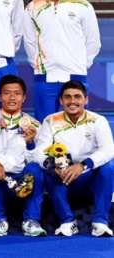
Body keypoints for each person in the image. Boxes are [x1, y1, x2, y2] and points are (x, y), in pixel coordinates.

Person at [23, 0, 101, 122]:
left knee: (79, 125)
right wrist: (39, 67)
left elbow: (93, 42)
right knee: (45, 125)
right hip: (45, 77)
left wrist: (79, 65)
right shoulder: (32, 8)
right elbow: (29, 42)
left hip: (76, 75)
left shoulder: (82, 6)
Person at [35, 80, 114, 237]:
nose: (72, 101)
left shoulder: (98, 120)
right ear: (61, 100)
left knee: (108, 167)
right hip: (63, 177)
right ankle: (67, 221)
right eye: (67, 97)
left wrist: (83, 166)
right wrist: (53, 166)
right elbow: (39, 152)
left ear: (86, 100)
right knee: (45, 169)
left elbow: (109, 150)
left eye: (77, 97)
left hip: (89, 176)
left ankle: (100, 222)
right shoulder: (50, 121)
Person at [0, 75, 46, 237]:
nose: (12, 97)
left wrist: (31, 143)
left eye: (17, 93)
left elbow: (40, 158)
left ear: (24, 97)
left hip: (23, 181)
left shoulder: (34, 125)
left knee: (35, 168)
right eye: (7, 93)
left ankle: (31, 220)